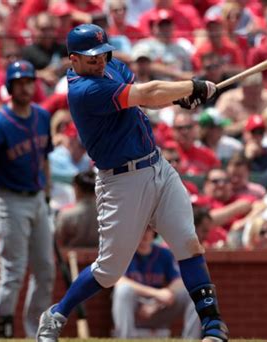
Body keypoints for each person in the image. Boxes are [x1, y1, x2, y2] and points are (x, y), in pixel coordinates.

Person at [36, 24, 229, 342]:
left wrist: (180, 99)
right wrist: (190, 86)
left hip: (158, 166)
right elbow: (146, 93)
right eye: (91, 58)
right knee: (109, 271)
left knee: (188, 243)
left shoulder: (112, 66)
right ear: (73, 60)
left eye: (103, 54)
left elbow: (147, 100)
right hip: (121, 181)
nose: (100, 62)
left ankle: (212, 324)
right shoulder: (83, 90)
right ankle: (56, 314)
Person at [0, 60, 55, 338]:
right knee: (14, 271)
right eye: (19, 83)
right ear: (10, 87)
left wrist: (48, 191)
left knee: (46, 270)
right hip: (8, 200)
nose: (25, 87)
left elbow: (45, 157)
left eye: (29, 82)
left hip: (37, 198)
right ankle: (3, 332)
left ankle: (34, 333)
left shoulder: (42, 116)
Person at [111, 227, 200, 338]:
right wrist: (156, 293)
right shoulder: (124, 253)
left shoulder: (164, 254)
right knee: (123, 290)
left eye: (148, 229)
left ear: (154, 232)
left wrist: (156, 303)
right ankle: (125, 339)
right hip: (135, 308)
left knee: (194, 293)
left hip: (158, 308)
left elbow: (179, 281)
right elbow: (118, 281)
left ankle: (191, 339)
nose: (145, 234)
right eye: (141, 229)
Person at [55, 170, 98, 248]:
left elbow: (59, 244)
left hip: (70, 258)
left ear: (76, 188)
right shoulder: (107, 213)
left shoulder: (67, 215)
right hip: (103, 257)